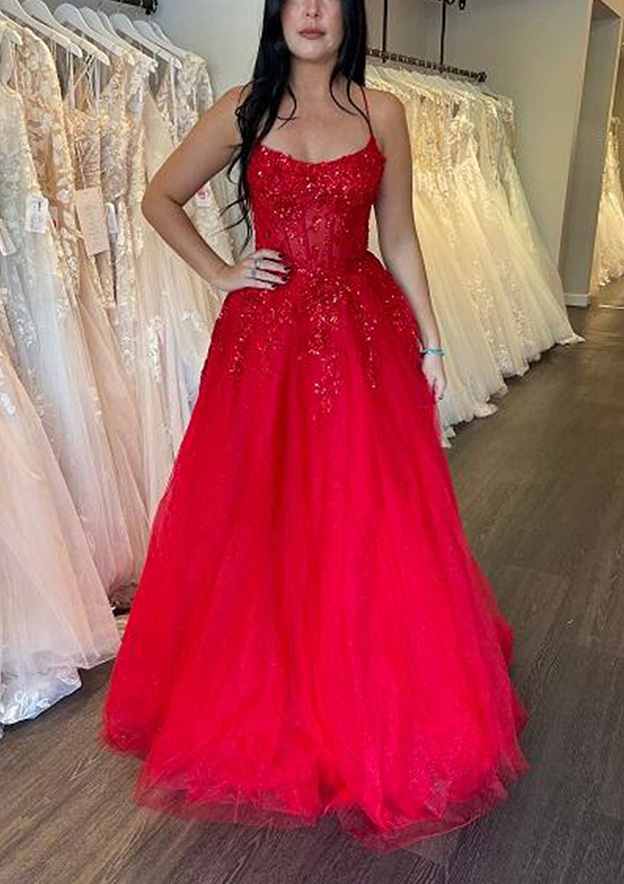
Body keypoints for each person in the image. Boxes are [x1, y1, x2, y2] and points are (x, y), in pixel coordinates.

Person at [102, 0, 528, 853]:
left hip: (361, 334)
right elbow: (159, 198)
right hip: (265, 339)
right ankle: (273, 681)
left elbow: (399, 237)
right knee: (260, 512)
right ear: (277, 13)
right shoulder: (244, 107)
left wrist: (433, 340)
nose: (311, 10)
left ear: (348, 15)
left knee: (364, 514)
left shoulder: (384, 112)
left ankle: (358, 685)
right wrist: (223, 270)